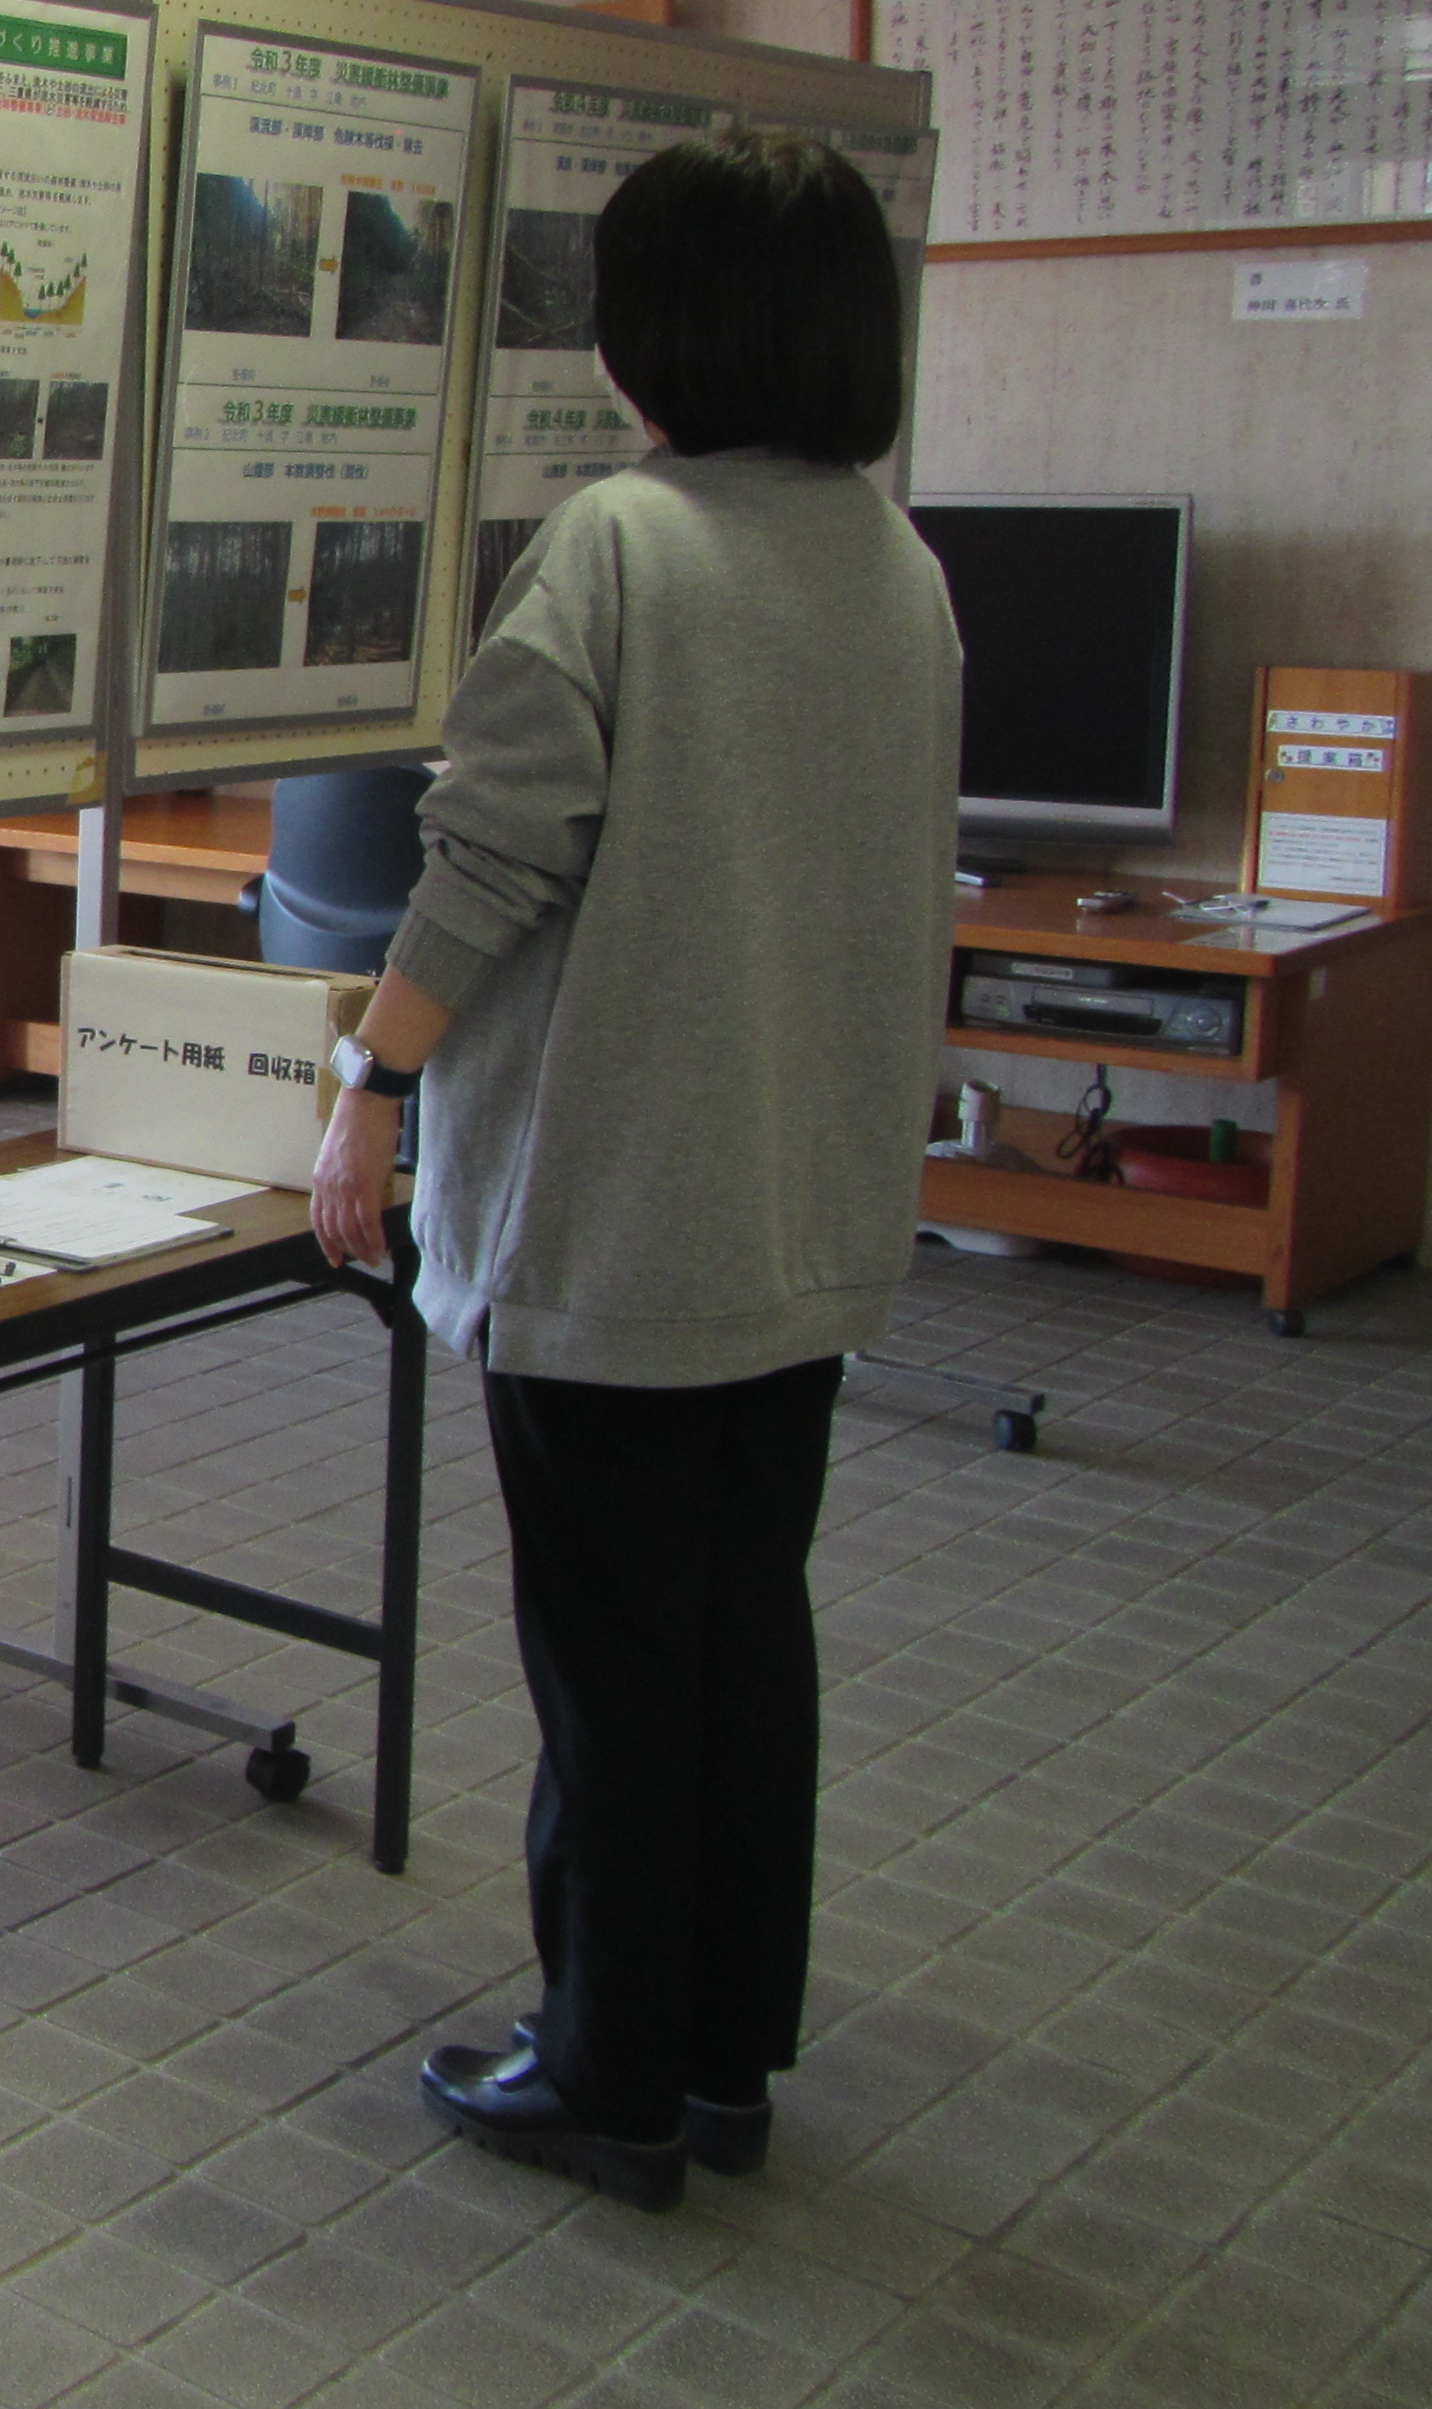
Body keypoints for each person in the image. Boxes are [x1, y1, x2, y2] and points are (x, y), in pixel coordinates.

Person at [306, 131, 960, 2213]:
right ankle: (715, 2057)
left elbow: (487, 859)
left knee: (604, 1667)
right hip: (796, 1225)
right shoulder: (894, 563)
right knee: (738, 1642)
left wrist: (366, 1081)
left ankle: (598, 2076)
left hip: (605, 1228)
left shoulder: (615, 546)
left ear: (661, 324)